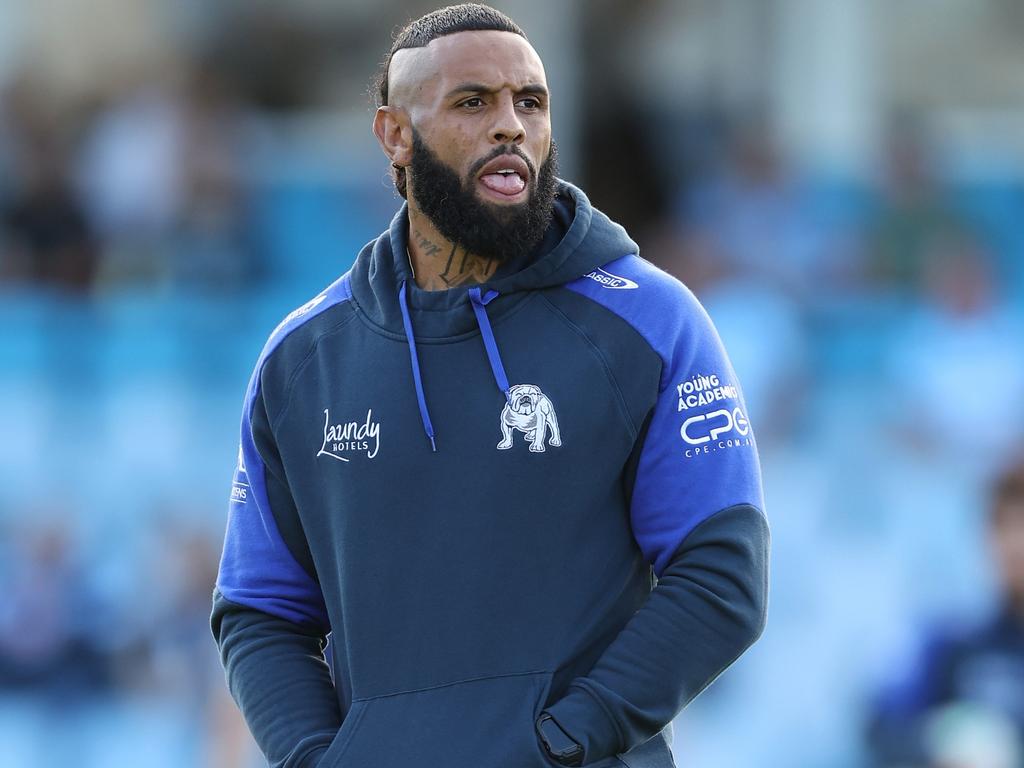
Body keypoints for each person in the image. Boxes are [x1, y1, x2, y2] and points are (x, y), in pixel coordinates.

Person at [210, 5, 769, 767]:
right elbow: (260, 609)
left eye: (530, 102)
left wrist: (568, 741)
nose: (510, 126)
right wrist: (316, 758)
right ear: (395, 136)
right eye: (473, 102)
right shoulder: (302, 358)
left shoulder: (652, 320)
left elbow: (721, 573)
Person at [866, 459, 1024, 767]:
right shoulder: (957, 646)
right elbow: (881, 728)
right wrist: (942, 741)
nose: (1015, 545)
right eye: (1003, 525)